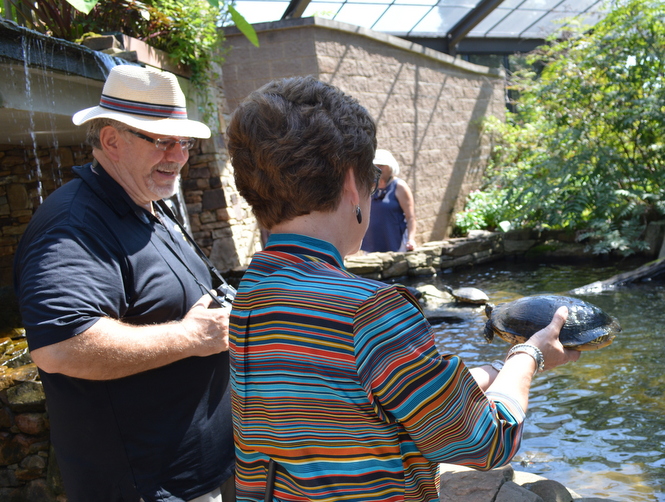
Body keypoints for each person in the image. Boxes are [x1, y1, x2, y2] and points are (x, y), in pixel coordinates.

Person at [225, 75, 580, 502]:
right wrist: (530, 355)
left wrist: (490, 371)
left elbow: (355, 402)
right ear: (351, 185)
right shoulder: (369, 310)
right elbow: (487, 443)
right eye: (372, 176)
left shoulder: (252, 293)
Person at [13, 65, 235, 502]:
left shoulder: (144, 199)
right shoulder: (73, 224)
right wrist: (192, 336)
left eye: (184, 142)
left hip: (197, 475)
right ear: (112, 141)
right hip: (146, 486)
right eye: (161, 141)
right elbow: (61, 347)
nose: (178, 156)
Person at [361, 148, 417, 252]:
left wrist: (411, 239)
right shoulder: (369, 187)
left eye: (381, 166)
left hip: (395, 242)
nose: (377, 169)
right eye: (375, 166)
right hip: (372, 242)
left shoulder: (399, 186)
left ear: (391, 167)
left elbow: (410, 217)